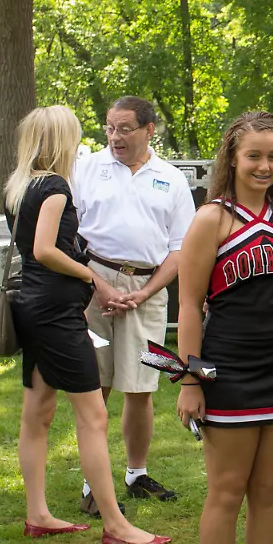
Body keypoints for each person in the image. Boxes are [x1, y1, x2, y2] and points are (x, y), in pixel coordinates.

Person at [4, 105, 168, 544]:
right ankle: (115, 524)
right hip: (56, 314)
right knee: (93, 415)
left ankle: (38, 513)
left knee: (36, 414)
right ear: (61, 139)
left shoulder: (20, 186)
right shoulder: (56, 187)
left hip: (32, 307)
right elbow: (44, 250)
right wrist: (91, 275)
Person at [175, 111, 273, 544]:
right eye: (254, 155)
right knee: (227, 491)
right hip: (229, 368)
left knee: (269, 492)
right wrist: (190, 380)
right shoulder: (210, 219)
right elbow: (190, 306)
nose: (264, 166)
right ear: (232, 159)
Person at [71, 96, 195, 514]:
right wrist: (98, 284)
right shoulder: (86, 168)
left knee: (141, 388)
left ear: (148, 130)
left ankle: (136, 474)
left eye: (124, 129)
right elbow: (68, 236)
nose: (114, 137)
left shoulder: (172, 179)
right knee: (96, 387)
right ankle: (93, 482)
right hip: (92, 289)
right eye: (109, 128)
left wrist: (143, 293)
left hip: (148, 293)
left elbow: (180, 250)